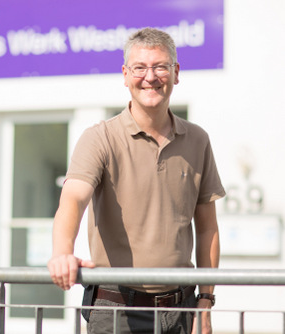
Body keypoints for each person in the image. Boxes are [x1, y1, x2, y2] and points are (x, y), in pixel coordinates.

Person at [47, 27, 225, 334]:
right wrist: (62, 251)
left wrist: (205, 301)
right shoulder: (100, 138)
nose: (150, 77)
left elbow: (208, 226)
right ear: (126, 74)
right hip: (115, 308)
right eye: (140, 68)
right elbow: (73, 199)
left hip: (181, 309)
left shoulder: (198, 140)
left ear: (176, 72)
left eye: (160, 66)